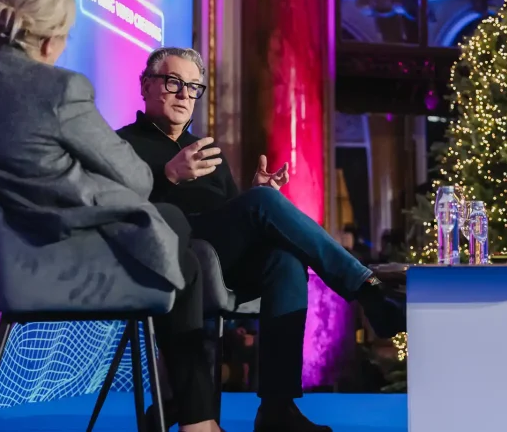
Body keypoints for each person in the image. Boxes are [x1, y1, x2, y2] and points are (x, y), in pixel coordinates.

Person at [0, 0, 221, 432]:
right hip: (58, 259)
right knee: (177, 239)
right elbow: (136, 178)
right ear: (49, 41)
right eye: (65, 37)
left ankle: (184, 414)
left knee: (175, 235)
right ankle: (196, 420)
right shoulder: (61, 89)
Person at [118, 47, 406, 432]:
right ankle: (366, 288)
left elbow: (231, 214)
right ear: (145, 86)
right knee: (261, 205)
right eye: (173, 83)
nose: (185, 94)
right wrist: (168, 177)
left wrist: (256, 195)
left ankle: (277, 409)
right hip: (170, 256)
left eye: (193, 86)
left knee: (284, 260)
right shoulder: (122, 147)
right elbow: (118, 212)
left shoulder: (206, 150)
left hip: (219, 258)